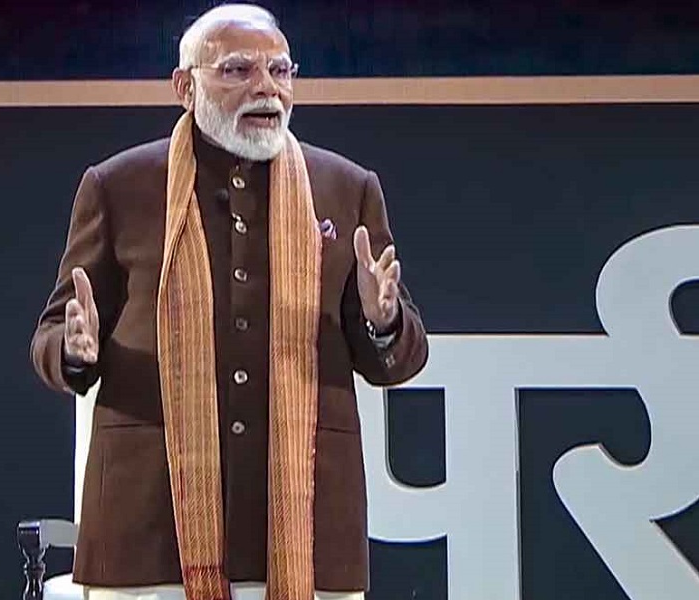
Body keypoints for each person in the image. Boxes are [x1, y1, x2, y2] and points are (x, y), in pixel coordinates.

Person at [31, 4, 428, 600]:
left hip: (305, 530)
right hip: (150, 529)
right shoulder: (120, 186)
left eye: (281, 71)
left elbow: (396, 358)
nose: (267, 88)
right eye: (239, 70)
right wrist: (74, 347)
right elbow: (51, 337)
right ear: (185, 86)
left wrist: (383, 320)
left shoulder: (346, 188)